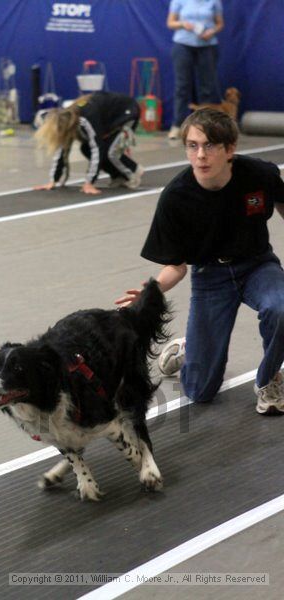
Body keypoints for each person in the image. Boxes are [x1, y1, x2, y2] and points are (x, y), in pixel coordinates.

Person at [116, 108, 284, 414]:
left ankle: (270, 379)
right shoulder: (176, 198)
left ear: (230, 149)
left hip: (258, 266)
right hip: (211, 278)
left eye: (209, 146)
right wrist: (148, 294)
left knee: (281, 306)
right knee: (200, 391)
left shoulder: (260, 175)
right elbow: (176, 266)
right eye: (193, 146)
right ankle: (188, 348)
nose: (200, 155)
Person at [34, 91, 144, 195]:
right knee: (85, 148)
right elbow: (62, 151)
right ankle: (118, 176)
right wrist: (53, 180)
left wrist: (89, 182)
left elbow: (97, 148)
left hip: (126, 111)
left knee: (110, 152)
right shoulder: (68, 120)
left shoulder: (84, 119)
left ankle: (133, 172)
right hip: (107, 117)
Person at [167, 0, 224, 139]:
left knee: (207, 87)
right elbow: (170, 23)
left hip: (207, 45)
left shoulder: (214, 2)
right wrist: (182, 24)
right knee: (182, 86)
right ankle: (177, 125)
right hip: (183, 44)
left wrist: (212, 31)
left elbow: (220, 23)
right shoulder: (178, 1)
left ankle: (207, 127)